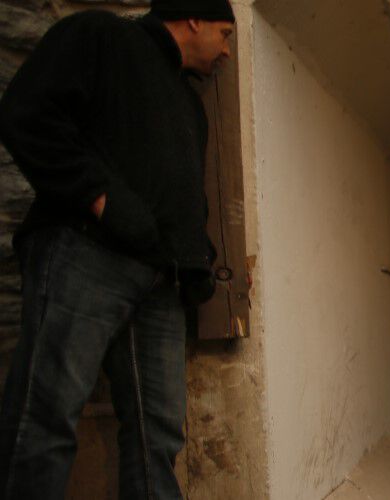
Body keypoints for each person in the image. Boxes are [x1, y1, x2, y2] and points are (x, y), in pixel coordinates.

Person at [0, 0, 234, 497]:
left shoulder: (188, 103)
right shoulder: (101, 36)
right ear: (193, 17)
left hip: (159, 282)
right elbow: (28, 113)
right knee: (46, 414)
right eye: (224, 33)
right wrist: (101, 200)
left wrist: (197, 260)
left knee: (160, 432)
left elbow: (177, 195)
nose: (227, 51)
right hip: (86, 254)